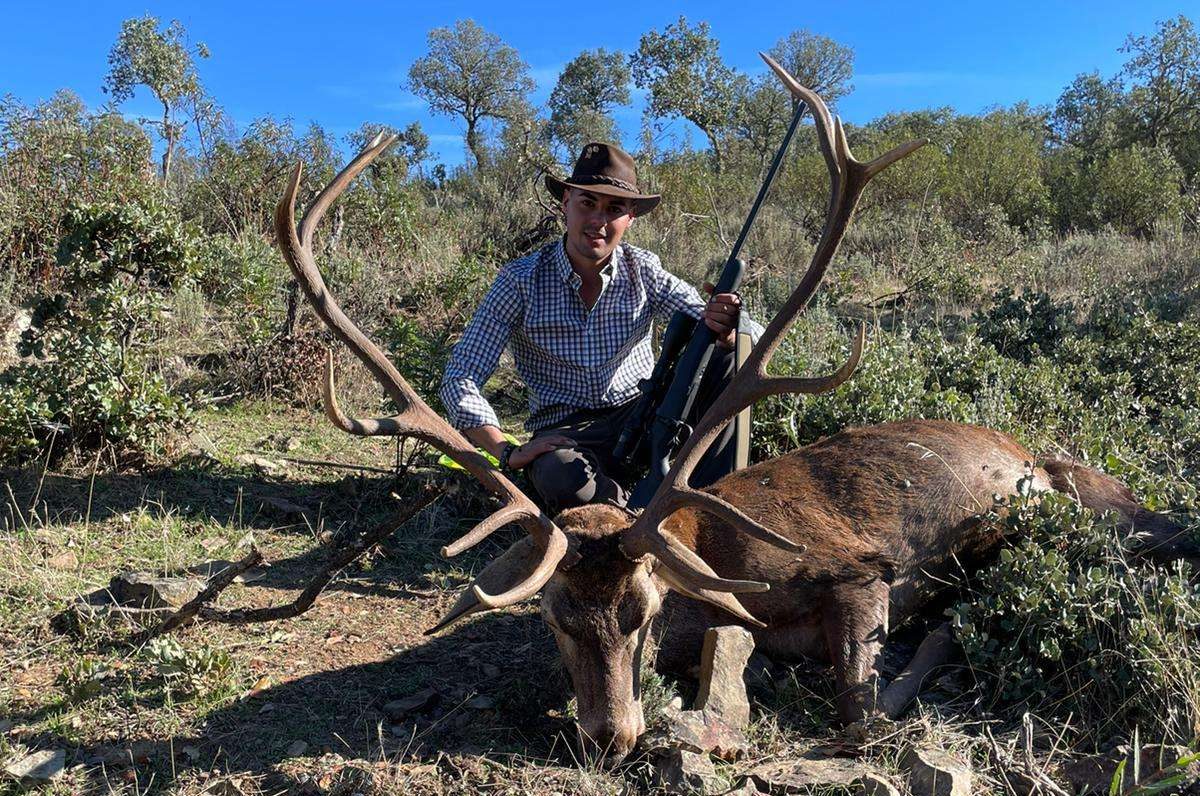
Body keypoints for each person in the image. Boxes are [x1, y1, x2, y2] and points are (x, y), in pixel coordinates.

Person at [439, 142, 753, 514]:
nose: (598, 221)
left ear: (630, 217)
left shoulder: (644, 270)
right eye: (587, 203)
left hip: (643, 415)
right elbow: (460, 377)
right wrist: (505, 451)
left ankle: (715, 506)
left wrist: (729, 326)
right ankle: (631, 521)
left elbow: (721, 326)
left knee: (728, 359)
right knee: (559, 475)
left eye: (614, 209)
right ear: (565, 203)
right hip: (565, 433)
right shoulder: (520, 281)